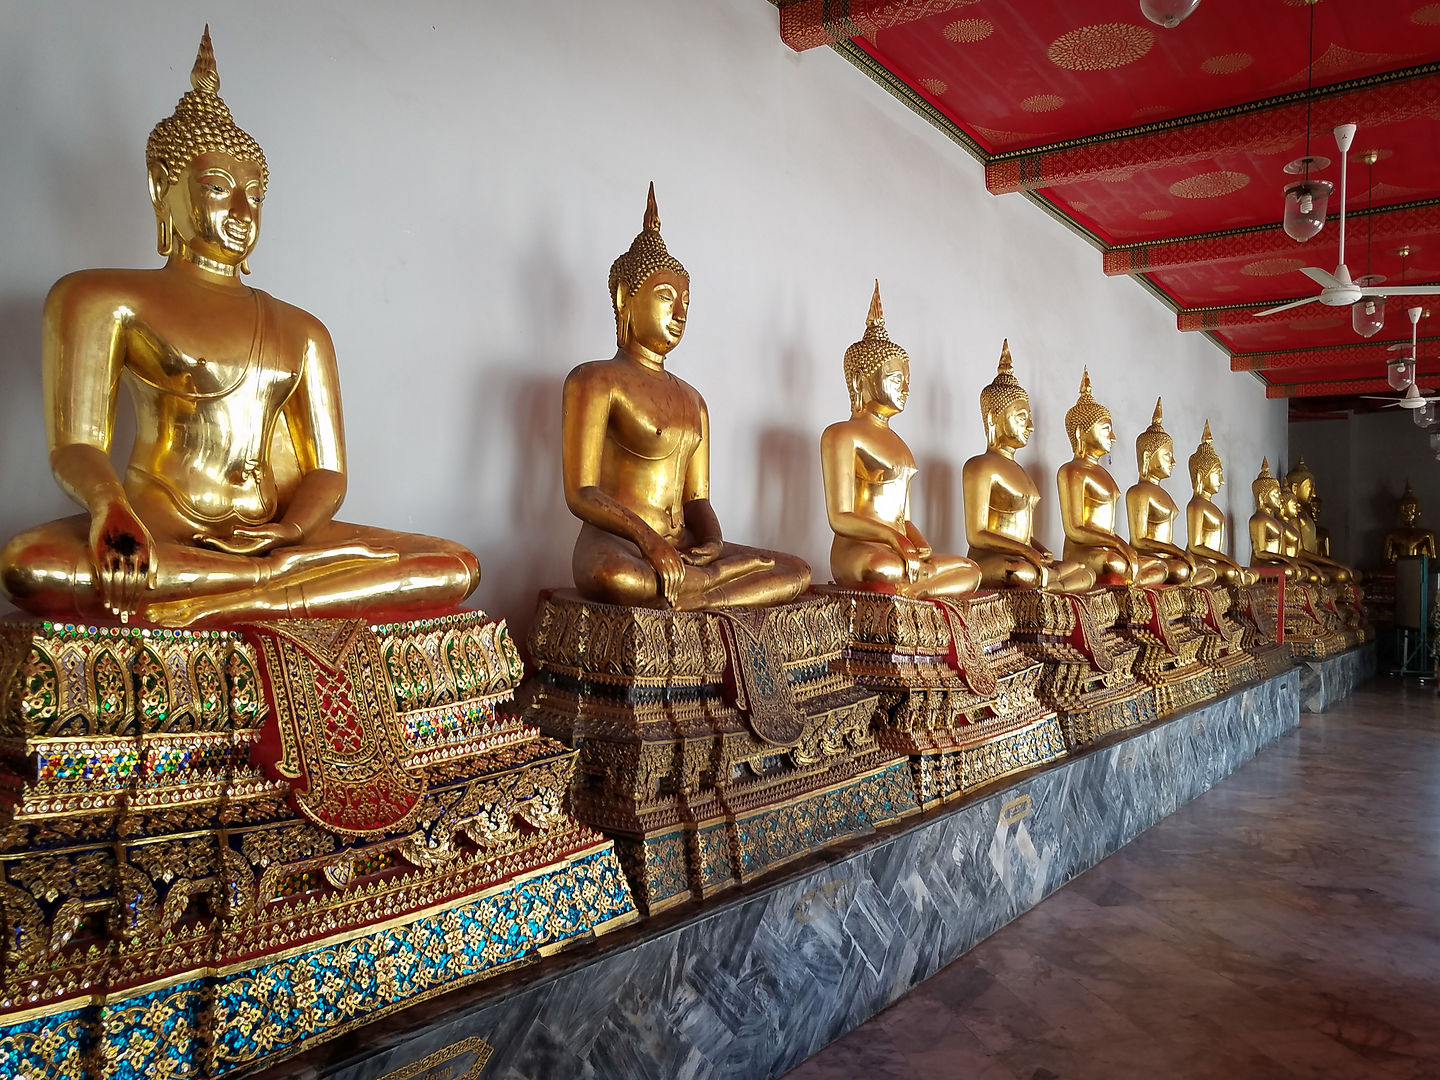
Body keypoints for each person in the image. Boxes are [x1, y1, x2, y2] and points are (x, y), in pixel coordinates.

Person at [0, 30, 479, 626]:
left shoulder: (303, 329)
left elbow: (326, 472)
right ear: (162, 190)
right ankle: (276, 590)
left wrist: (288, 534)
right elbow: (77, 444)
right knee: (29, 564)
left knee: (453, 564)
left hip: (275, 534)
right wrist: (109, 506)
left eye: (255, 196)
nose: (242, 213)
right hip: (158, 527)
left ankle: (253, 587)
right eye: (218, 190)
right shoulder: (101, 296)